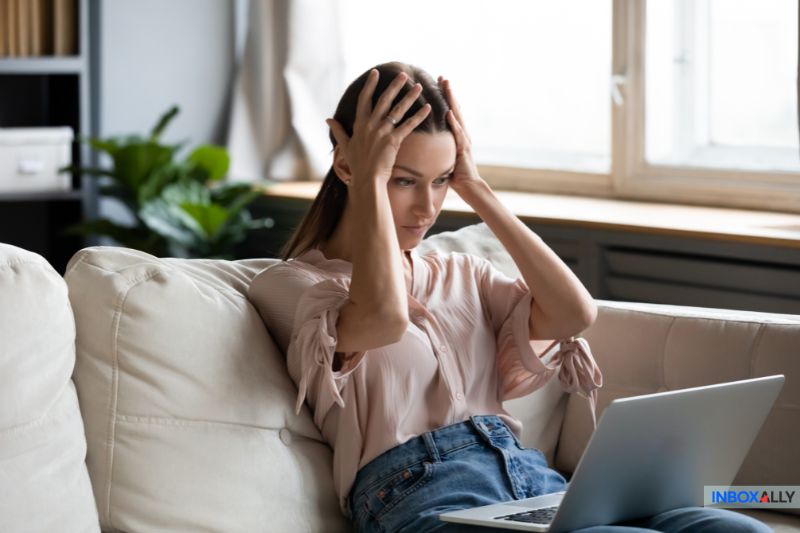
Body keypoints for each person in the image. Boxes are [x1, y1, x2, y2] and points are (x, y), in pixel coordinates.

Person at [248, 62, 770, 533]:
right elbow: (382, 318)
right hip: (420, 497)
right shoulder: (290, 287)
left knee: (736, 530)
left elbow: (574, 314)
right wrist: (371, 179)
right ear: (346, 166)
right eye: (403, 180)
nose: (428, 206)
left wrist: (476, 188)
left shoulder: (462, 273)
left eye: (442, 180)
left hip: (529, 478)